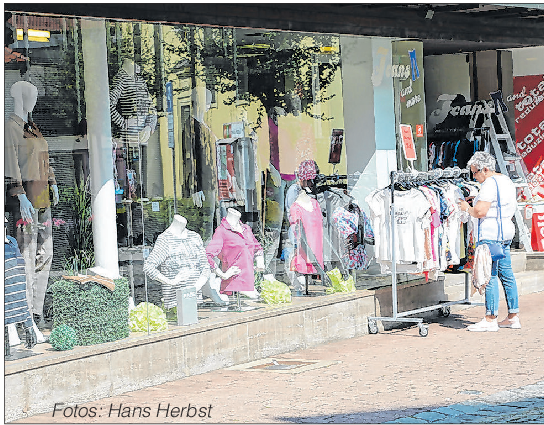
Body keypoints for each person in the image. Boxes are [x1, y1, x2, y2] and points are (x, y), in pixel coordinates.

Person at [458, 151, 521, 332]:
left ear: (484, 169)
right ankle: (513, 315)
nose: (474, 177)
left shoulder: (489, 184)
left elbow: (480, 212)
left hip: (491, 235)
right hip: (505, 232)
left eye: (475, 173)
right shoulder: (506, 181)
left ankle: (490, 317)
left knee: (490, 275)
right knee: (506, 274)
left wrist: (466, 207)